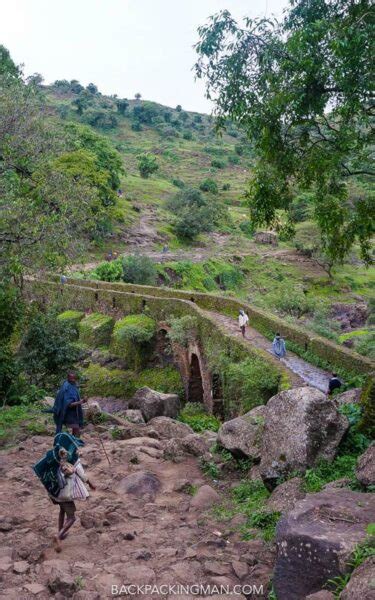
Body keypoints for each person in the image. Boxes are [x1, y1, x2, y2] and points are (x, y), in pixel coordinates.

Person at [53, 445, 96, 553]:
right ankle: (58, 536)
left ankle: (60, 532)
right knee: (72, 518)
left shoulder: (59, 463)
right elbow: (83, 476)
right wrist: (91, 484)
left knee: (62, 511)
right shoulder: (73, 465)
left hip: (58, 494)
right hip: (67, 496)